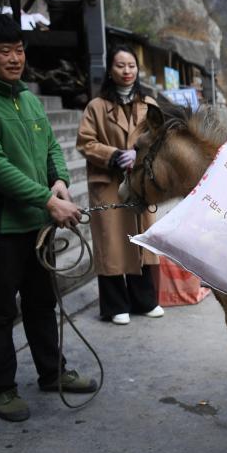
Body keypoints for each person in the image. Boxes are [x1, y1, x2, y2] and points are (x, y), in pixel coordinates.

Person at [0, 14, 98, 422]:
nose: (15, 59)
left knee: (42, 304)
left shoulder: (26, 96)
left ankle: (51, 372)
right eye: (4, 51)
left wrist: (58, 179)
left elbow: (51, 146)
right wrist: (47, 199)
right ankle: (2, 387)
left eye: (19, 50)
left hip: (36, 224)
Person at [77, 45, 163, 325]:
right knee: (112, 244)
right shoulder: (97, 107)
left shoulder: (149, 104)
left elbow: (162, 138)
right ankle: (115, 306)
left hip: (140, 183)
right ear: (110, 70)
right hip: (109, 183)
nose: (127, 71)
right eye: (120, 66)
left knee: (142, 241)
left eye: (131, 66)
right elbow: (86, 142)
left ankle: (145, 301)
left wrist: (141, 154)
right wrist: (114, 155)